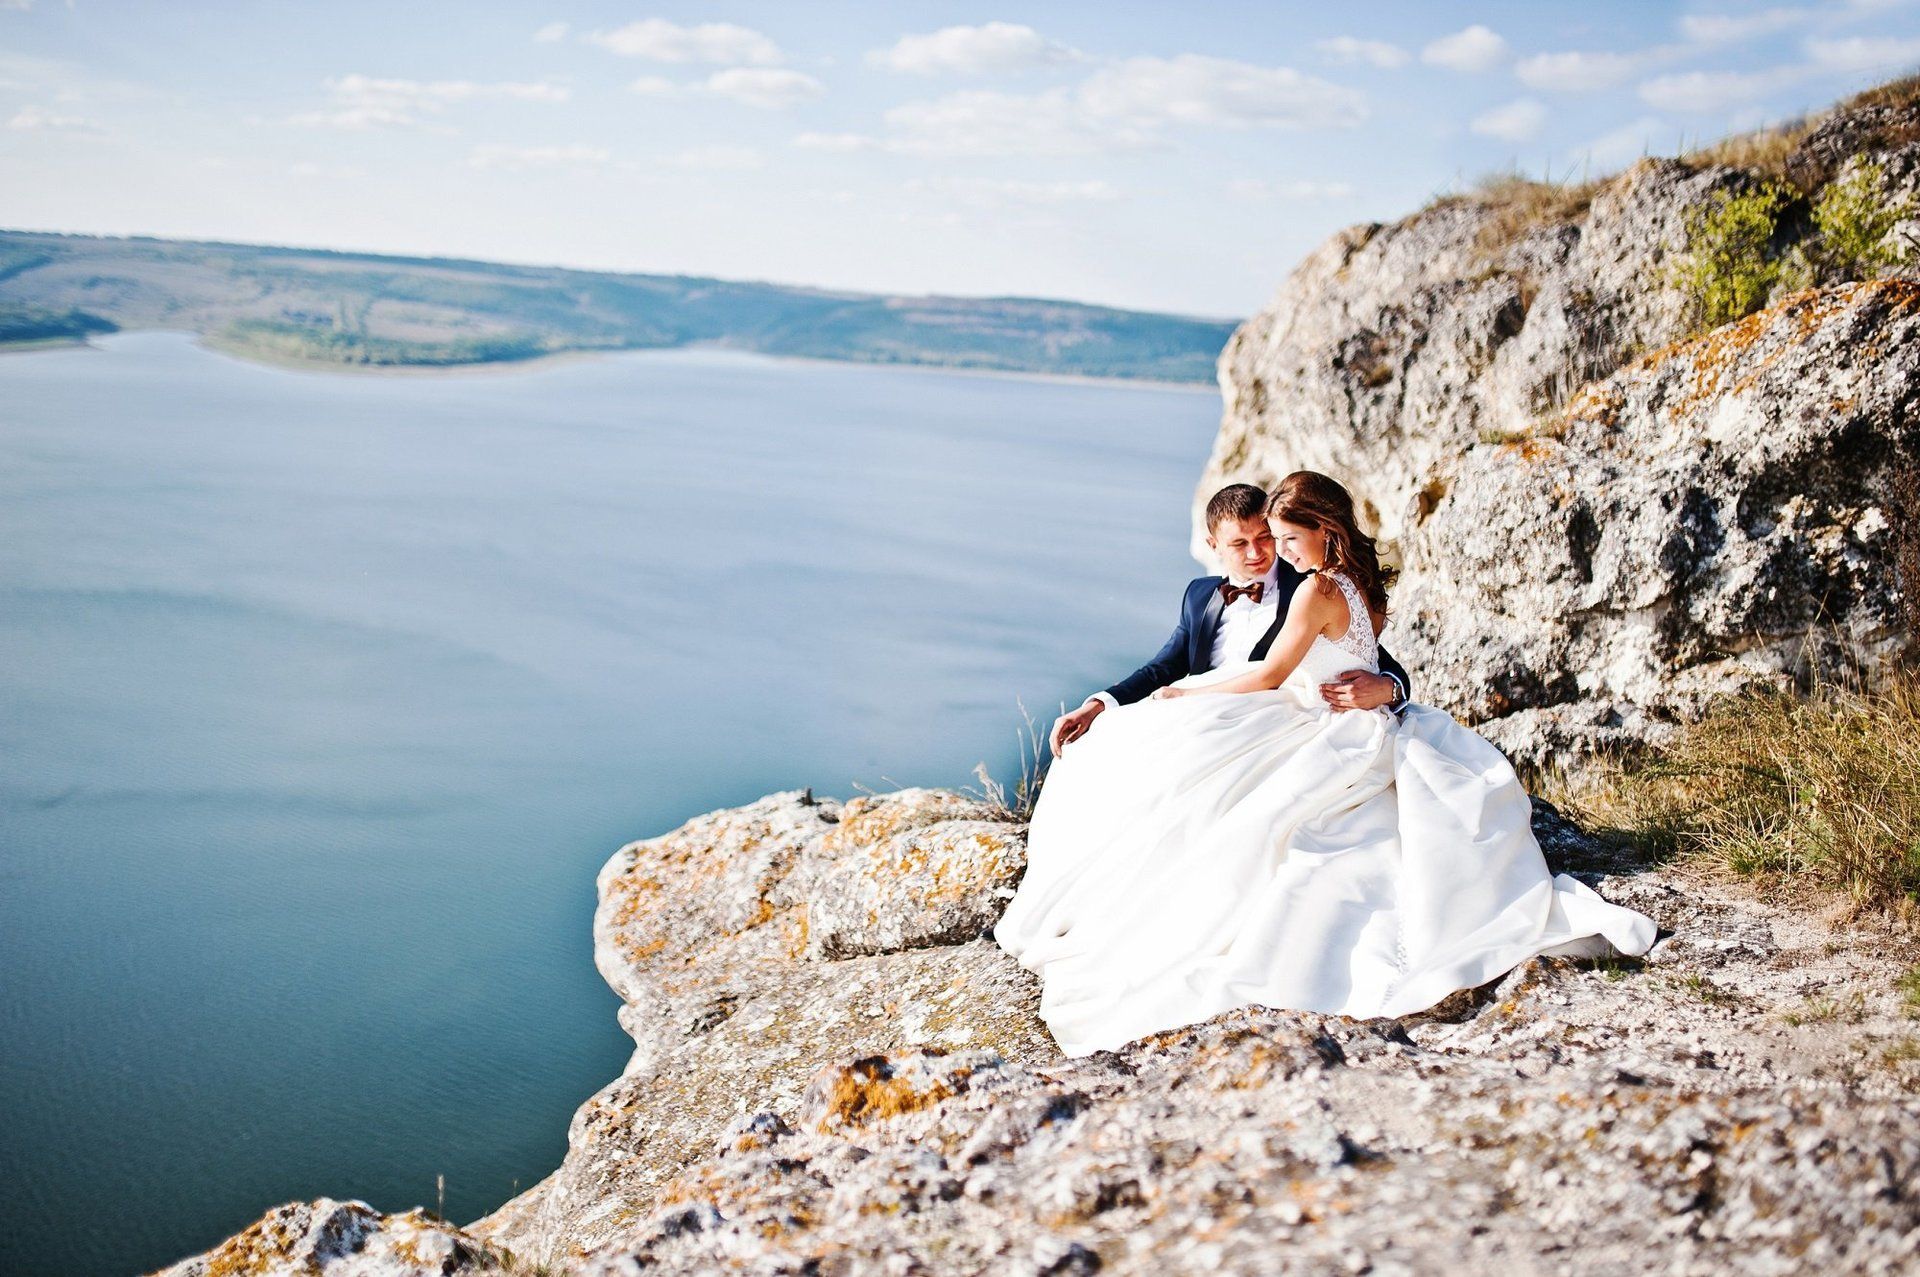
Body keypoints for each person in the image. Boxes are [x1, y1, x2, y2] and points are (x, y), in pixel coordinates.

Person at [993, 471, 1657, 1059]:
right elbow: (1170, 659)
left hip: (1302, 716)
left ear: (1322, 530)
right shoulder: (1320, 586)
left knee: (1244, 824)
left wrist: (1381, 688)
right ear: (1216, 544)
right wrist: (1112, 700)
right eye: (1249, 543)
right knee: (1136, 752)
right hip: (1298, 716)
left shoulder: (1307, 590)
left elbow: (1319, 669)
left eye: (1279, 539)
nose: (1268, 554)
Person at [1047, 482, 1410, 759]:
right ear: (1213, 545)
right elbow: (1163, 667)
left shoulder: (1309, 584)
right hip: (1206, 722)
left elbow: (1366, 652)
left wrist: (1390, 688)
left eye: (1266, 538)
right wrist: (1097, 705)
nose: (1258, 552)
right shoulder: (1199, 595)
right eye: (1239, 543)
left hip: (1271, 730)